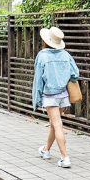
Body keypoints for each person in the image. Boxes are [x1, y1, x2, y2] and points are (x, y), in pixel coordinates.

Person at [31, 26, 79, 168]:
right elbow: (75, 74)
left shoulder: (42, 55)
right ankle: (46, 150)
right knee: (54, 123)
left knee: (57, 124)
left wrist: (37, 98)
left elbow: (38, 79)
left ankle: (65, 158)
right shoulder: (65, 55)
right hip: (63, 95)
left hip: (50, 95)